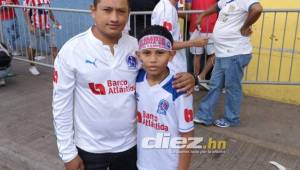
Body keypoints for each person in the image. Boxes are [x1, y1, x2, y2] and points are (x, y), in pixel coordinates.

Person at [52, 0, 195, 169]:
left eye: (121, 11)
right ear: (93, 11)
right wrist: (68, 154)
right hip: (89, 149)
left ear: (128, 13)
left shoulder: (137, 47)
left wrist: (191, 78)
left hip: (130, 148)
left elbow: (163, 72)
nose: (114, 18)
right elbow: (61, 106)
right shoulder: (71, 50)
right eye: (107, 10)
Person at [194, 0, 263, 127]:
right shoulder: (226, 0)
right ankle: (205, 116)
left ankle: (232, 119)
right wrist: (202, 15)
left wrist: (245, 26)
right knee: (214, 85)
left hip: (235, 53)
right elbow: (216, 6)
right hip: (222, 53)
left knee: (232, 88)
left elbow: (257, 9)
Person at [136, 25, 194, 170]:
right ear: (139, 55)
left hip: (169, 165)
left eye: (160, 52)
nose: (153, 59)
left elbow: (187, 136)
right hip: (141, 162)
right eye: (147, 53)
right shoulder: (136, 78)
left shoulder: (179, 87)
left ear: (171, 54)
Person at [151, 0, 208, 74]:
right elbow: (165, 43)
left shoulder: (169, 7)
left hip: (172, 67)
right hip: (171, 69)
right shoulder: (167, 10)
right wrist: (194, 42)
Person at [23, 0, 60, 76]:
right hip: (35, 27)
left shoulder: (47, 0)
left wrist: (55, 21)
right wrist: (30, 25)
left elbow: (49, 12)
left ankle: (58, 68)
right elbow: (26, 13)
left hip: (47, 28)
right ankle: (32, 66)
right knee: (33, 47)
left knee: (54, 47)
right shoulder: (29, 0)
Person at [189, 0, 217, 91]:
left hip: (196, 24)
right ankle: (201, 77)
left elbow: (189, 6)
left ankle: (196, 81)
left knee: (197, 56)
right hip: (211, 25)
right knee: (215, 54)